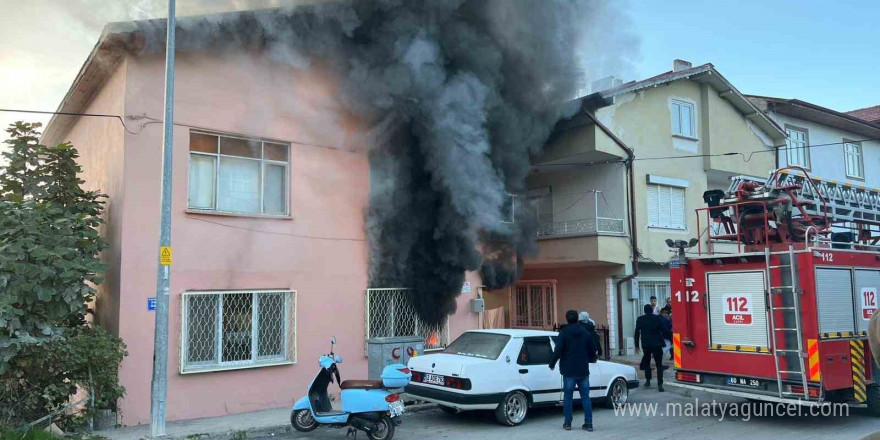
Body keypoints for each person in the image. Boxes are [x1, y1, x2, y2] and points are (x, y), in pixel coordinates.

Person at [550, 310, 597, 431]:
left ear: (567, 319)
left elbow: (558, 349)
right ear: (577, 319)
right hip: (583, 369)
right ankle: (589, 423)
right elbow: (592, 349)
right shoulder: (585, 332)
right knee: (586, 397)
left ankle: (567, 423)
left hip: (568, 369)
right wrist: (592, 359)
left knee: (568, 397)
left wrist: (552, 363)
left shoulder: (564, 333)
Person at [635, 304, 672, 392]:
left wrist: (636, 345)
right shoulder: (657, 318)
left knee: (647, 363)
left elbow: (637, 332)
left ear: (644, 311)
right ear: (652, 310)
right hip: (657, 344)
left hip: (646, 345)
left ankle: (648, 381)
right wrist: (670, 338)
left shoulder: (640, 319)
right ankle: (660, 384)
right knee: (659, 364)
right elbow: (665, 329)